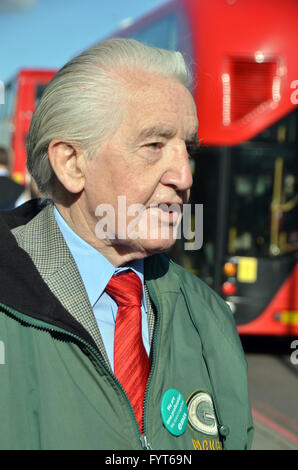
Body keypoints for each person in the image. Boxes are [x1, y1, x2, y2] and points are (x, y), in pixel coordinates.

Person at [0, 39, 253, 450]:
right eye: (154, 145)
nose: (184, 177)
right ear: (71, 163)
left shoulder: (208, 316)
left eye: (187, 149)